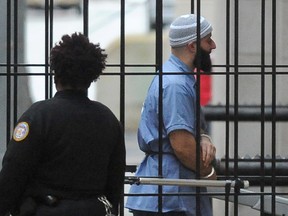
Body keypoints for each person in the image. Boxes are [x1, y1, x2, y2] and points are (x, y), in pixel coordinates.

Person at [0, 32, 126, 216]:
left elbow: (13, 174)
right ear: (92, 76)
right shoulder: (108, 119)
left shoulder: (38, 117)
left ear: (55, 74)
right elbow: (115, 181)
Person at [126, 14, 217, 216]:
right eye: (208, 39)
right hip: (171, 196)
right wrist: (209, 174)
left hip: (167, 191)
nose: (213, 46)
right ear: (192, 46)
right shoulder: (176, 84)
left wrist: (202, 137)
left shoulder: (174, 76)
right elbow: (182, 146)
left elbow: (187, 128)